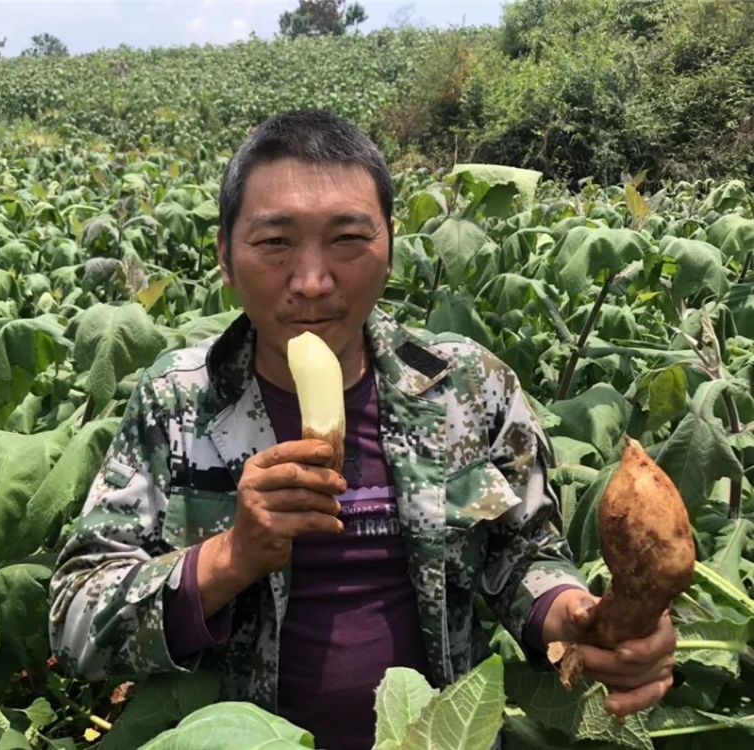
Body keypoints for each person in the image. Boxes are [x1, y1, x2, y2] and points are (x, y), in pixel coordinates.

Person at [49, 110, 676, 749]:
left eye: (348, 239)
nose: (313, 282)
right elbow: (74, 621)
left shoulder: (468, 386)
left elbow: (524, 556)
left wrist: (579, 619)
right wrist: (229, 558)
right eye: (274, 243)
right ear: (226, 259)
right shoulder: (177, 402)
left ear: (390, 246)